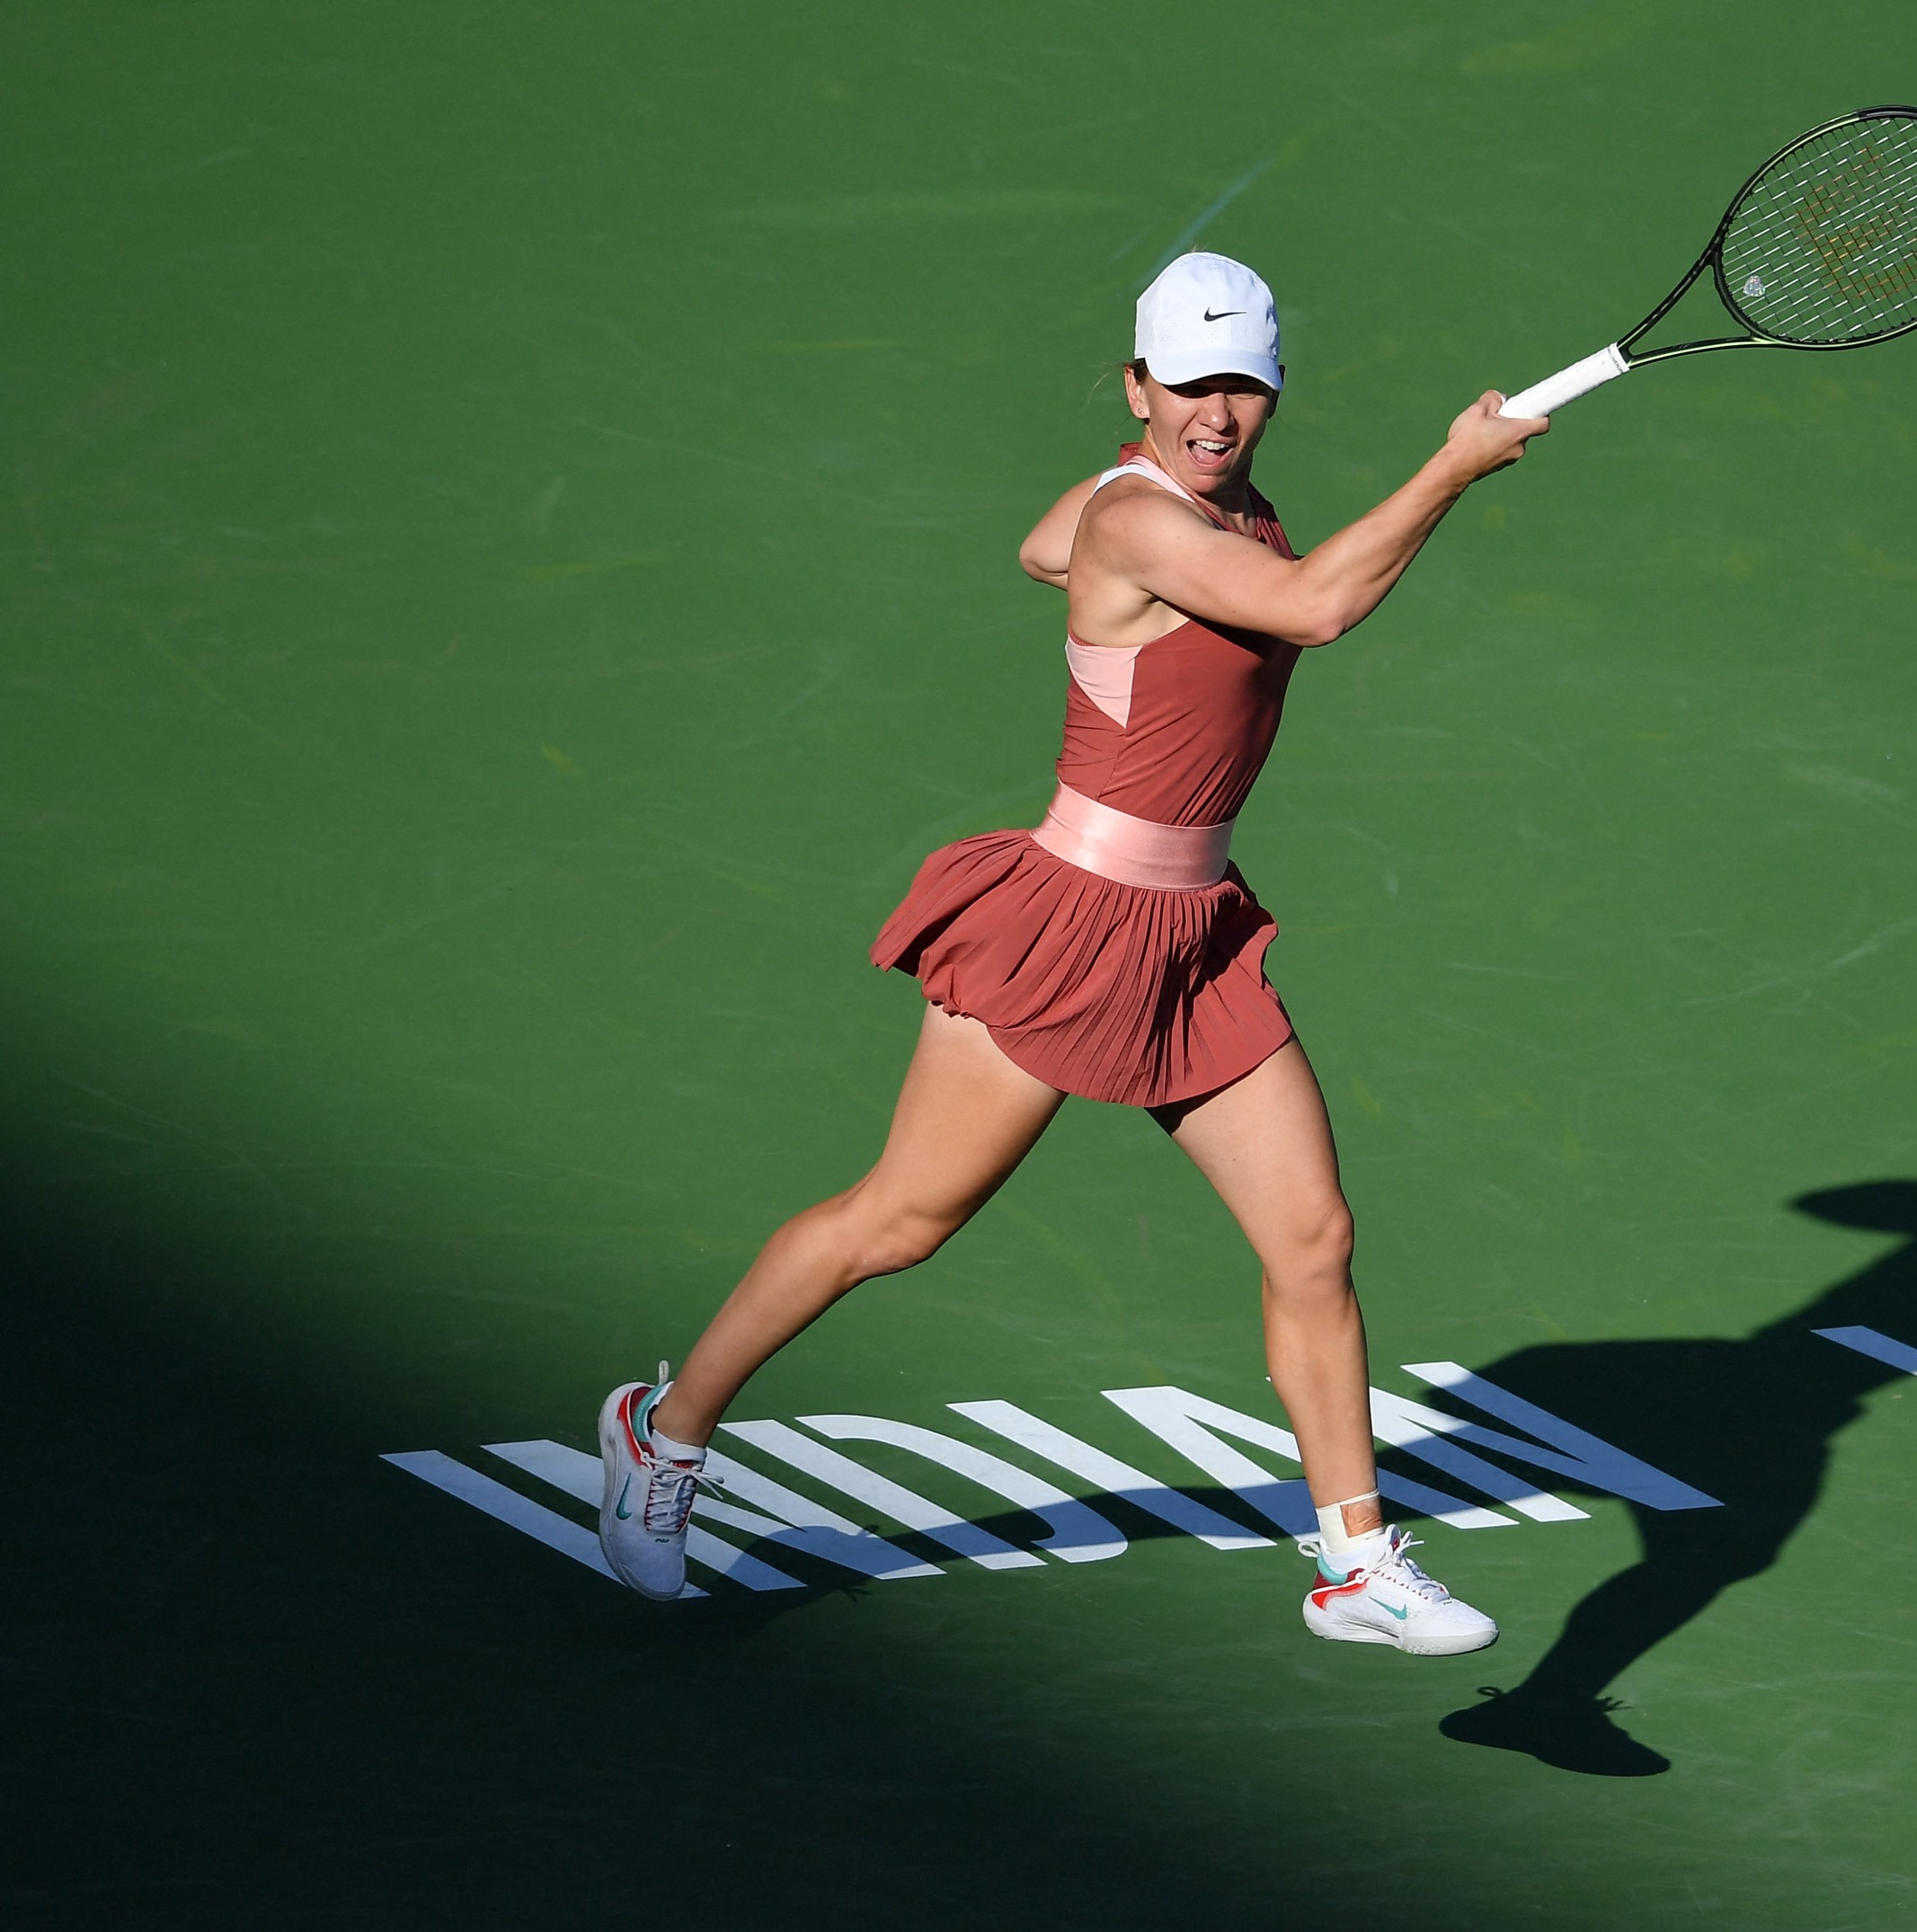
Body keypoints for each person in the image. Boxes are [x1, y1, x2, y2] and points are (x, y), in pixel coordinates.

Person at [594, 252, 1546, 1653]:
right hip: (1069, 925)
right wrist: (1452, 469)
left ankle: (1355, 1560)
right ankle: (660, 1434)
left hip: (1197, 940)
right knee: (901, 1223)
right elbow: (1317, 609)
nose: (1216, 413)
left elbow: (1046, 547)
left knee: (1314, 1237)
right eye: (1187, 384)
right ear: (1138, 384)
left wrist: (1103, 512)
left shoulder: (1163, 506)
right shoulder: (1152, 525)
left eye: (1243, 384)